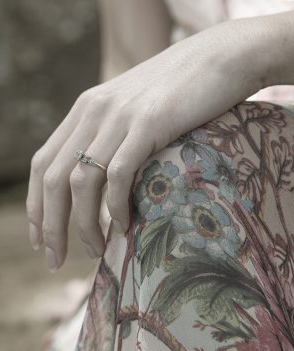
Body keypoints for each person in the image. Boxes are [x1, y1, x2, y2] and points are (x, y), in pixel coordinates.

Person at [26, 1, 294, 349]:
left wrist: (242, 52)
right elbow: (130, 73)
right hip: (204, 198)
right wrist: (125, 240)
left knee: (193, 159)